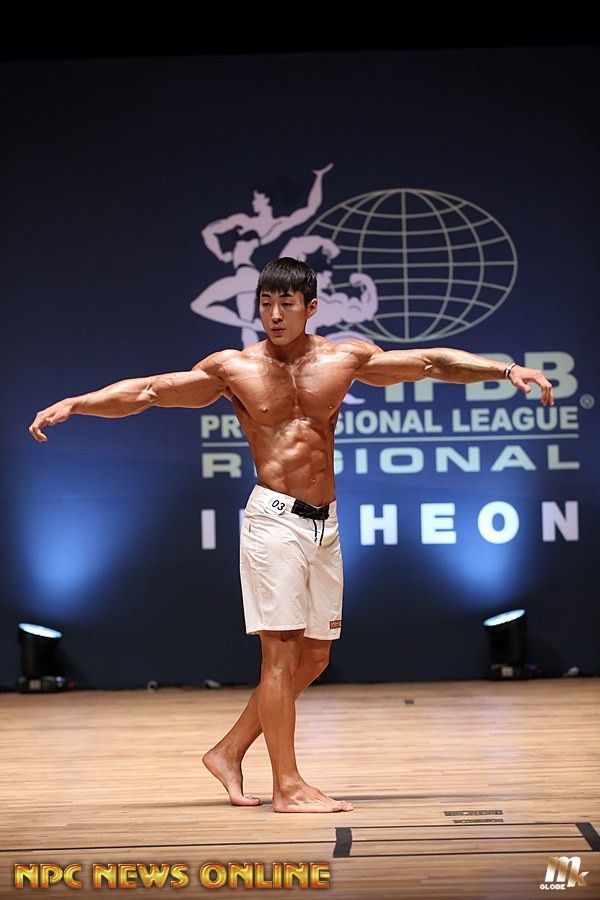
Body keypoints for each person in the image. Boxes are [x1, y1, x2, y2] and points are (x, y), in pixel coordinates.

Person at [29, 257, 555, 814]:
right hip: (273, 521)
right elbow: (150, 392)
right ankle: (288, 786)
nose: (275, 315)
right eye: (266, 304)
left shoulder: (344, 358)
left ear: (311, 308)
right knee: (279, 656)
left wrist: (505, 370)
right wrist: (78, 404)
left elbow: (430, 362)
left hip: (325, 524)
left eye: (286, 304)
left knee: (315, 658)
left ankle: (228, 751)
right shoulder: (234, 368)